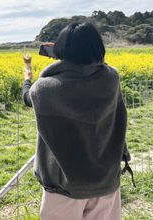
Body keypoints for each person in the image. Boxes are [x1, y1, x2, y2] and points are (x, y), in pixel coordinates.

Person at [23, 22, 131, 220]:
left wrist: (28, 77)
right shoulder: (111, 78)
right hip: (106, 178)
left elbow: (28, 98)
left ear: (61, 49)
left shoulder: (45, 89)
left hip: (64, 185)